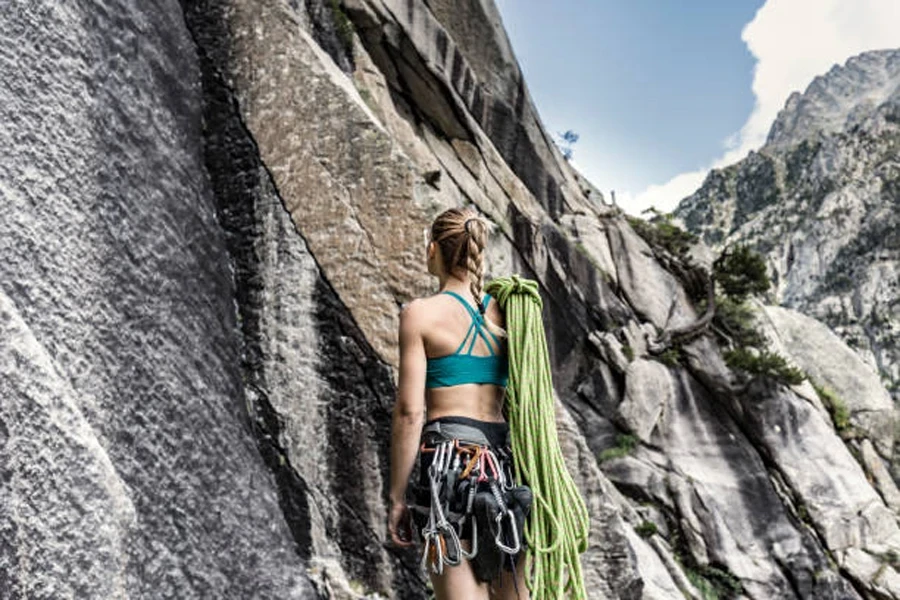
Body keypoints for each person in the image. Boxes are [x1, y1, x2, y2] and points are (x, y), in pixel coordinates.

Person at [388, 207, 530, 600]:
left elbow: (410, 412)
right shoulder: (510, 312)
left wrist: (397, 496)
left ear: (433, 249)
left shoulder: (420, 315)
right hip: (504, 468)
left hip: (449, 469)